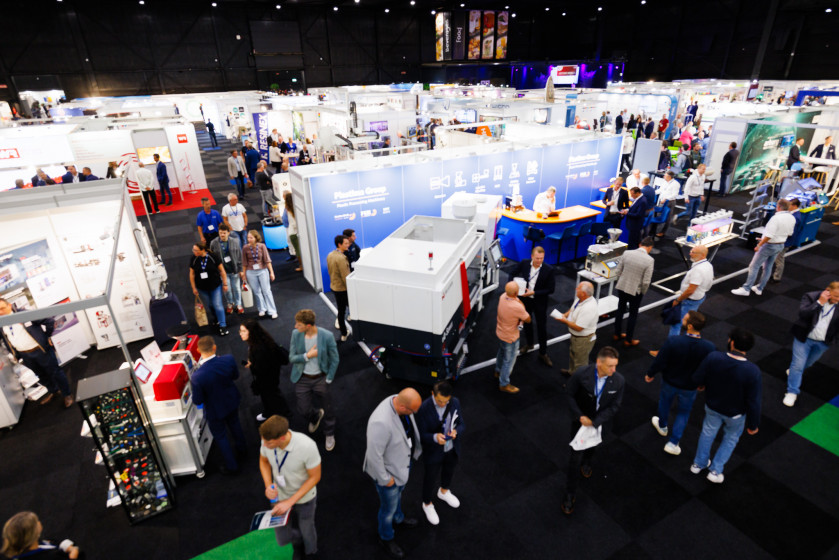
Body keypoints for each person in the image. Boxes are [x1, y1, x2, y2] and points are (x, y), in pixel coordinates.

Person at [690, 328, 761, 484]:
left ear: (732, 342)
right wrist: (753, 424)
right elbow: (753, 401)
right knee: (730, 440)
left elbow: (697, 378)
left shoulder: (714, 357)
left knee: (707, 433)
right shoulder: (752, 371)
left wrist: (701, 385)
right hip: (736, 414)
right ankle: (715, 471)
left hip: (712, 407)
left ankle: (698, 464)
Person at [561, 346, 625, 515]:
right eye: (610, 366)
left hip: (601, 424)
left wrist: (595, 422)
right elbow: (569, 394)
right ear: (598, 363)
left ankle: (588, 461)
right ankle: (570, 493)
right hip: (580, 424)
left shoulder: (619, 381)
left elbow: (615, 406)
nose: (614, 370)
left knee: (593, 446)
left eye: (615, 365)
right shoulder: (581, 374)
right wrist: (579, 416)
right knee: (574, 459)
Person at [645, 310, 715, 455]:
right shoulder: (709, 347)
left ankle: (662, 426)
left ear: (690, 326)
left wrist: (650, 374)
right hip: (690, 387)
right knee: (683, 413)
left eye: (685, 319)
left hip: (670, 382)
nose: (682, 319)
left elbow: (660, 360)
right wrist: (703, 383)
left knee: (664, 403)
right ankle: (673, 443)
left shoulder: (673, 341)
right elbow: (708, 369)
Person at [363, 388, 422, 560]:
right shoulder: (380, 423)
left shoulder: (398, 400)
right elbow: (374, 456)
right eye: (413, 411)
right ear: (403, 407)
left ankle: (398, 518)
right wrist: (386, 480)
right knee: (387, 510)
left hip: (401, 465)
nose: (414, 414)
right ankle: (386, 537)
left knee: (398, 497)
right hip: (389, 475)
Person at [258, 415, 321, 559]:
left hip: (305, 498)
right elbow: (263, 461)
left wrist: (290, 502)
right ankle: (297, 544)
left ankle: (311, 552)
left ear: (282, 438)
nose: (264, 445)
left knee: (307, 529)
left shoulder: (307, 446)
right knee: (282, 536)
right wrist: (268, 485)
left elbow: (315, 477)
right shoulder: (266, 440)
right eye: (263, 441)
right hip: (279, 496)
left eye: (268, 443)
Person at [0, 298, 73, 408]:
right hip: (25, 355)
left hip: (40, 350)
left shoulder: (24, 314)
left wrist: (47, 337)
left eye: (2, 308)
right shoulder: (1, 322)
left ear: (9, 306)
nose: (0, 312)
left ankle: (67, 394)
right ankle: (53, 390)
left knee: (55, 372)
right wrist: (14, 353)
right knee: (41, 375)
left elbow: (49, 321)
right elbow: (5, 339)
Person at [191, 336, 247, 474]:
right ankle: (243, 450)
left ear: (198, 351)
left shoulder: (197, 376)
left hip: (214, 410)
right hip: (231, 400)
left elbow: (198, 400)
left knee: (221, 436)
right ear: (214, 347)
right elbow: (235, 376)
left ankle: (232, 466)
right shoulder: (228, 359)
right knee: (235, 424)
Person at [289, 309, 339, 452]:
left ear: (308, 326)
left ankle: (329, 433)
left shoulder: (327, 336)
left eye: (298, 324)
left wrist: (329, 378)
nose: (295, 326)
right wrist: (307, 356)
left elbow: (335, 358)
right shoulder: (295, 334)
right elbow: (291, 358)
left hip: (321, 378)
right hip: (302, 378)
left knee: (328, 408)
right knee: (303, 409)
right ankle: (315, 415)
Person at [783, 282, 839, 407]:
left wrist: (834, 340)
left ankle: (793, 372)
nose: (838, 300)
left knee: (808, 363)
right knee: (798, 365)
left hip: (823, 342)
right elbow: (803, 314)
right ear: (827, 290)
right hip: (804, 338)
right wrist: (819, 303)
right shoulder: (811, 296)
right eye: (836, 296)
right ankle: (792, 391)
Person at [415, 381, 463, 526]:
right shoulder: (423, 408)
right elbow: (420, 435)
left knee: (449, 471)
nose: (443, 404)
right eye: (440, 401)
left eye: (446, 401)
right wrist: (435, 437)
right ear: (433, 394)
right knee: (430, 478)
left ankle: (443, 491)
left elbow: (462, 424)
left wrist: (456, 431)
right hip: (433, 451)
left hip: (451, 447)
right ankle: (427, 503)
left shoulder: (455, 402)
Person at [731, 199, 796, 297]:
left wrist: (759, 244)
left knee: (754, 266)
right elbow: (789, 233)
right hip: (780, 245)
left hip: (769, 245)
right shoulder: (792, 218)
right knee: (768, 267)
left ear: (778, 207)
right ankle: (759, 288)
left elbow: (769, 235)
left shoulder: (775, 218)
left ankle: (746, 289)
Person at [509, 246, 556, 366]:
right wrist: (511, 288)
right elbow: (512, 273)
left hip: (539, 302)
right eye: (537, 258)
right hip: (525, 301)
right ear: (532, 256)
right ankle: (529, 344)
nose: (539, 261)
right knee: (527, 323)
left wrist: (534, 292)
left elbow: (551, 289)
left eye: (541, 258)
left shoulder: (549, 270)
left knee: (542, 327)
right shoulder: (524, 263)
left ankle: (543, 353)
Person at [660, 244, 713, 340]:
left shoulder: (698, 270)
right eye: (691, 251)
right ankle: (684, 341)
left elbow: (690, 290)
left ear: (702, 255)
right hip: (699, 297)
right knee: (690, 322)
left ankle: (672, 345)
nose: (690, 253)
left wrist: (678, 300)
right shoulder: (708, 265)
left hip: (689, 300)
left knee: (677, 323)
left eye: (693, 252)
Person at [240, 320, 291, 421]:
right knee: (270, 394)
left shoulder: (258, 349)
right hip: (272, 373)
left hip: (267, 377)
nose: (240, 333)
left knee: (271, 394)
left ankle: (284, 413)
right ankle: (270, 411)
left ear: (251, 332)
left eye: (243, 331)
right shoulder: (262, 340)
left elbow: (261, 368)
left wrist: (251, 365)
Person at [613, 237, 654, 346]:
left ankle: (616, 334)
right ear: (650, 247)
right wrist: (643, 292)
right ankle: (628, 340)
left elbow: (617, 271)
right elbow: (646, 281)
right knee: (633, 314)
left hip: (622, 287)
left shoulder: (627, 253)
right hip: (636, 291)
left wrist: (621, 282)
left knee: (620, 310)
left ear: (640, 244)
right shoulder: (649, 260)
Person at [555, 282, 598, 375]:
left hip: (583, 340)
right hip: (576, 337)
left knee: (580, 363)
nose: (575, 289)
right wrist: (564, 315)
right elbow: (572, 309)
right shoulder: (580, 299)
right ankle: (572, 372)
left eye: (578, 289)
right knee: (573, 356)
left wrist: (564, 321)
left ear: (583, 294)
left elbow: (579, 328)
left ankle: (577, 381)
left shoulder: (588, 308)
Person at [495, 281, 531, 394]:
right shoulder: (517, 306)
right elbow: (528, 319)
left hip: (501, 332)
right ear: (516, 293)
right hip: (510, 337)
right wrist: (518, 300)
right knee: (509, 360)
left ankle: (497, 371)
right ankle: (504, 384)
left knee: (501, 352)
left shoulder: (502, 296)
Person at [0, 511, 81, 559]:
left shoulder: (37, 544)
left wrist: (66, 546)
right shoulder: (49, 557)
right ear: (33, 533)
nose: (39, 522)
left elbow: (54, 542)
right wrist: (74, 551)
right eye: (36, 522)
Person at [189, 243, 229, 336]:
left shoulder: (213, 257)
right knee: (210, 305)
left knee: (218, 305)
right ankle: (216, 317)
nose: (194, 252)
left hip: (215, 286)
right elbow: (192, 274)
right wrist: (193, 287)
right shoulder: (194, 259)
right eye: (193, 250)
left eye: (196, 250)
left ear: (203, 250)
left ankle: (223, 325)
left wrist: (225, 283)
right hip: (202, 288)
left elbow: (222, 271)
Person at [242, 229, 278, 319]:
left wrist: (272, 272)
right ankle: (262, 308)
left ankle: (272, 310)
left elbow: (267, 260)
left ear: (256, 238)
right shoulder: (245, 248)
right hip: (250, 272)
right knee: (256, 292)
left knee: (266, 291)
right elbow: (244, 263)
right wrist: (244, 275)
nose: (249, 239)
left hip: (262, 271)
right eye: (248, 238)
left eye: (251, 238)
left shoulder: (262, 246)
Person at [210, 224, 244, 315]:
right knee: (227, 289)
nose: (222, 235)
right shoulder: (213, 243)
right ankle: (230, 303)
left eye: (224, 233)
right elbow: (212, 258)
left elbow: (239, 256)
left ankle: (238, 304)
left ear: (228, 233)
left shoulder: (235, 241)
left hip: (234, 270)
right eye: (220, 233)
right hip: (223, 272)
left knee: (236, 288)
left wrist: (241, 270)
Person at [772, 198, 804, 283]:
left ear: (794, 206)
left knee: (779, 259)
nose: (788, 207)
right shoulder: (793, 214)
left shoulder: (796, 217)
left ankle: (776, 277)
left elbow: (790, 232)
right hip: (783, 241)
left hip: (785, 242)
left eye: (789, 205)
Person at [327, 235, 351, 342]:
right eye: (346, 243)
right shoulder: (341, 258)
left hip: (335, 287)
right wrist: (351, 290)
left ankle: (344, 333)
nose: (348, 245)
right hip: (343, 289)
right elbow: (345, 277)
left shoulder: (330, 255)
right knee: (346, 310)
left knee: (341, 311)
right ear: (339, 244)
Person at [285, 193, 302, 272]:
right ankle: (302, 265)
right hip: (297, 232)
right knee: (299, 250)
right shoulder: (295, 209)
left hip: (293, 233)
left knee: (298, 250)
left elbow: (291, 223)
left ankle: (301, 266)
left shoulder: (288, 209)